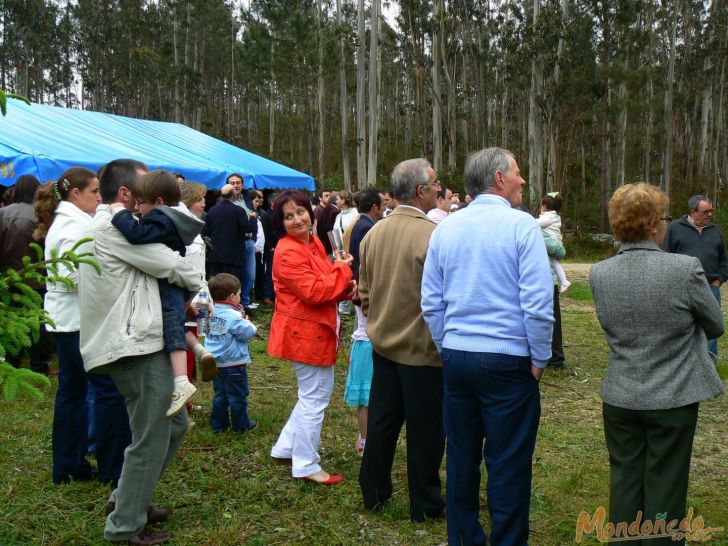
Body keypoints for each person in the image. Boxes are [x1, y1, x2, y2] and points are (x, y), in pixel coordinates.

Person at [421, 147, 554, 545]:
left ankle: (464, 539)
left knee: (461, 457)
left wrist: (449, 345)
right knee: (508, 461)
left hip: (459, 357)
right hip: (508, 360)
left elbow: (432, 301)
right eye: (518, 173)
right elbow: (537, 303)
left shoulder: (446, 227)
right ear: (499, 178)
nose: (523, 180)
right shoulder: (522, 227)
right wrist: (540, 357)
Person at [590, 183, 724, 545]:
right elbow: (715, 324)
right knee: (666, 481)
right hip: (674, 395)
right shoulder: (684, 269)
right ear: (652, 224)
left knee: (625, 478)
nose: (666, 223)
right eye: (664, 217)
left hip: (620, 395)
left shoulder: (600, 273)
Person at [79, 159, 202, 545]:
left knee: (174, 425)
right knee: (151, 436)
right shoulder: (114, 230)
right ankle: (124, 526)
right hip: (134, 345)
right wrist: (186, 275)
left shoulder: (119, 227)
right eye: (144, 184)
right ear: (127, 193)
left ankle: (129, 499)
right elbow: (180, 269)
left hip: (137, 340)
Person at [358, 158, 446, 522]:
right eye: (436, 185)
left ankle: (373, 491)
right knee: (426, 432)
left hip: (383, 346)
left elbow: (363, 293)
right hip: (421, 352)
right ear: (421, 191)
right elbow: (442, 298)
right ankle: (424, 504)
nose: (440, 190)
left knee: (381, 422)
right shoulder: (433, 234)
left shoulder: (374, 231)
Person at [34, 168, 132, 487]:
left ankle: (69, 464)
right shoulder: (72, 228)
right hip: (78, 320)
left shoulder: (72, 222)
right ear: (75, 194)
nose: (100, 198)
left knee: (73, 393)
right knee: (107, 392)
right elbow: (71, 277)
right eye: (94, 192)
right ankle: (111, 469)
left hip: (70, 319)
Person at [267, 190, 355, 485]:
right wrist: (343, 272)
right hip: (304, 334)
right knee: (315, 397)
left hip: (314, 330)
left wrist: (344, 283)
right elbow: (315, 291)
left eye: (300, 212)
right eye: (288, 216)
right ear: (280, 222)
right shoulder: (288, 251)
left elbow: (327, 278)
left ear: (310, 212)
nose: (297, 220)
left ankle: (285, 448)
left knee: (311, 394)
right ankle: (305, 464)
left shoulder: (312, 242)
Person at [110, 170, 206, 417]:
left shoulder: (161, 220)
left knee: (172, 327)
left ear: (160, 202)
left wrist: (119, 213)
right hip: (174, 284)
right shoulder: (170, 218)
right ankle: (198, 351)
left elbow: (136, 235)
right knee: (176, 322)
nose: (138, 208)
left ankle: (181, 381)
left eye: (141, 203)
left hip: (168, 284)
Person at [343, 187, 383, 455]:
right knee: (368, 398)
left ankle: (369, 440)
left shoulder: (360, 223)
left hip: (368, 340)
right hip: (368, 341)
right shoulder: (367, 227)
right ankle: (366, 441)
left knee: (370, 399)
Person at [662, 194, 728, 355]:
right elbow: (664, 257)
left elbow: (724, 260)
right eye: (706, 212)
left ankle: (709, 362)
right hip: (681, 289)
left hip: (710, 288)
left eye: (711, 211)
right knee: (682, 325)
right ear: (693, 212)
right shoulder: (674, 228)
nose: (710, 215)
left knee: (710, 326)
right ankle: (683, 362)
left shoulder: (715, 230)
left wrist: (718, 281)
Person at [0, 174, 53, 374]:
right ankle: (39, 365)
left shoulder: (3, 214)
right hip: (37, 278)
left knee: (11, 319)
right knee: (38, 322)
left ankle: (12, 361)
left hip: (8, 278)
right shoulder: (42, 216)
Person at [206, 273, 258, 433]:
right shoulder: (233, 317)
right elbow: (249, 332)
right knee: (237, 396)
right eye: (240, 294)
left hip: (215, 362)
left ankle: (218, 425)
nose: (241, 297)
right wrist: (247, 321)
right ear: (232, 296)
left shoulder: (211, 312)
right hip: (233, 363)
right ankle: (241, 425)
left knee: (220, 395)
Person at [178, 181, 217, 383]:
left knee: (197, 336)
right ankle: (185, 399)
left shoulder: (194, 227)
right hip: (188, 296)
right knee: (186, 342)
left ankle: (189, 392)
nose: (204, 204)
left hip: (199, 292)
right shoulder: (182, 229)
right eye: (200, 200)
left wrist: (206, 297)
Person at [203, 184, 252, 286]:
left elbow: (206, 231)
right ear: (234, 196)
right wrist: (251, 218)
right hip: (233, 256)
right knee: (230, 284)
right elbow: (247, 229)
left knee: (215, 283)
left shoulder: (212, 210)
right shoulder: (239, 211)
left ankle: (214, 301)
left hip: (215, 255)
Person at [227, 173, 259, 313]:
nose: (235, 185)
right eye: (232, 183)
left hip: (249, 241)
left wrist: (254, 237)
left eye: (237, 182)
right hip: (235, 242)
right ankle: (237, 304)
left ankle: (245, 302)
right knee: (236, 275)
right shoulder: (225, 201)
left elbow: (254, 216)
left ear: (242, 184)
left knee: (250, 275)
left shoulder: (247, 198)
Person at [537, 192, 570, 292]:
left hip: (551, 243)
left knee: (536, 238)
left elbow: (536, 224)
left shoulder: (548, 217)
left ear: (545, 206)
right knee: (554, 262)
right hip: (556, 244)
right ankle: (564, 281)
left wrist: (525, 221)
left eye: (542, 205)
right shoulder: (555, 216)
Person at [314, 188, 339, 255]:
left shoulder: (331, 209)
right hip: (324, 245)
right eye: (326, 196)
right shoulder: (317, 210)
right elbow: (314, 228)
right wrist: (318, 244)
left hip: (332, 244)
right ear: (320, 198)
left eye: (329, 196)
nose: (328, 198)